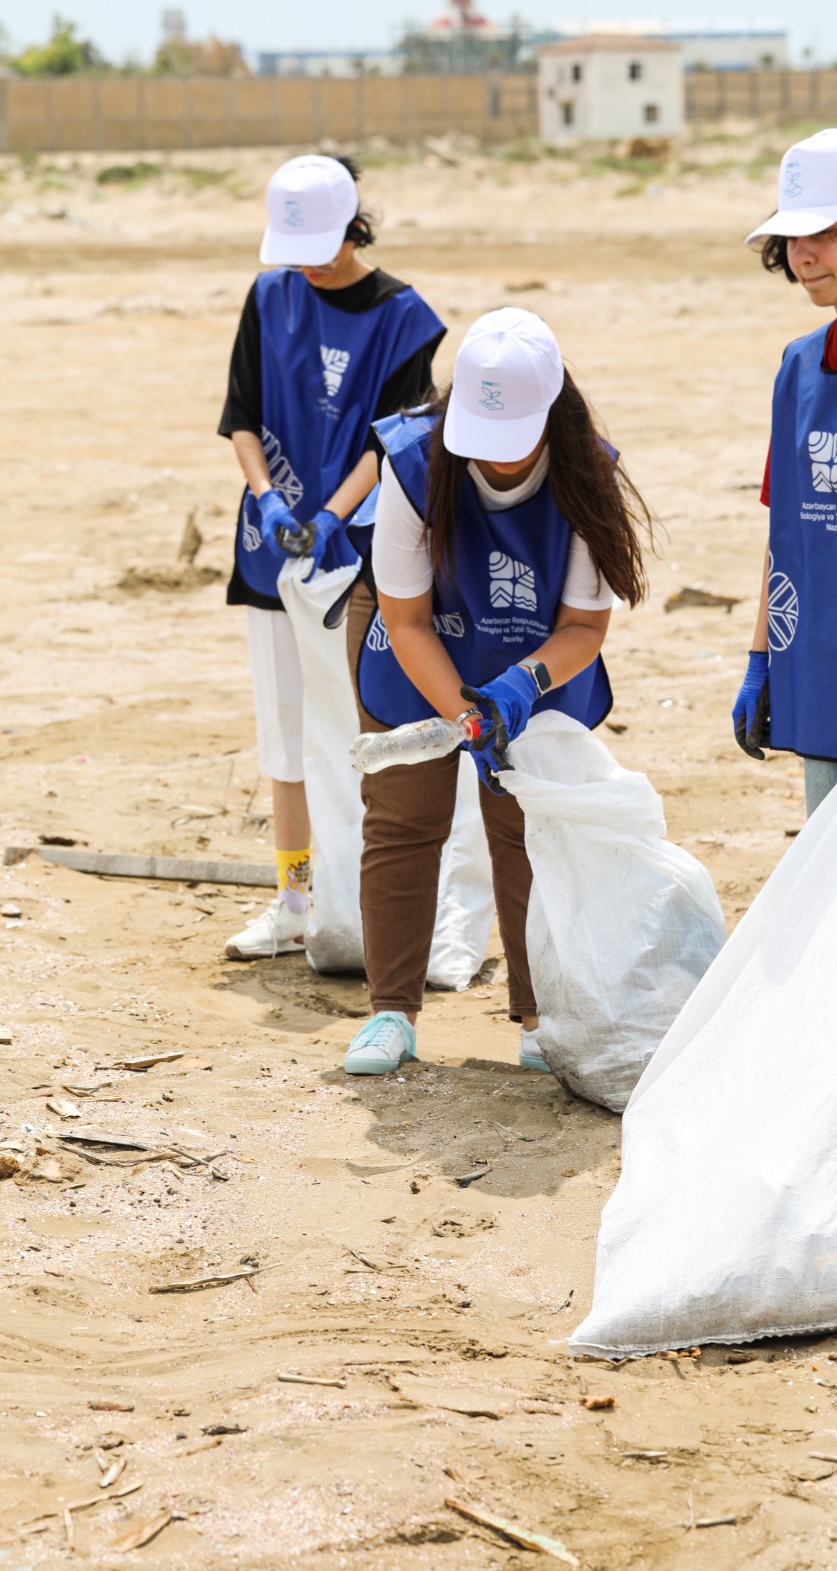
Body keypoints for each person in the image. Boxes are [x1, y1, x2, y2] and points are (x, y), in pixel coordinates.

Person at [342, 307, 653, 1074]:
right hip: (416, 641)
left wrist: (519, 687)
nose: (500, 465)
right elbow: (406, 617)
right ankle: (392, 1012)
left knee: (527, 827)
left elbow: (584, 624)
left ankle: (537, 1013)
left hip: (536, 654)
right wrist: (462, 714)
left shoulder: (589, 473)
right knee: (405, 815)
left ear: (550, 411)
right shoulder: (415, 463)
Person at [218, 153, 446, 959]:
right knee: (284, 732)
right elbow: (242, 414)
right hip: (268, 553)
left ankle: (364, 902)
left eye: (319, 243)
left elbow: (397, 439)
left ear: (354, 223)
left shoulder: (402, 316)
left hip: (352, 558)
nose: (307, 263)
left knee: (353, 729)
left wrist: (328, 516)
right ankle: (293, 897)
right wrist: (268, 498)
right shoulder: (270, 296)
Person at [733, 129, 837, 816]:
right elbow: (785, 530)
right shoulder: (799, 368)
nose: (803, 253)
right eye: (794, 238)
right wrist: (761, 656)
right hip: (821, 676)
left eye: (825, 232)